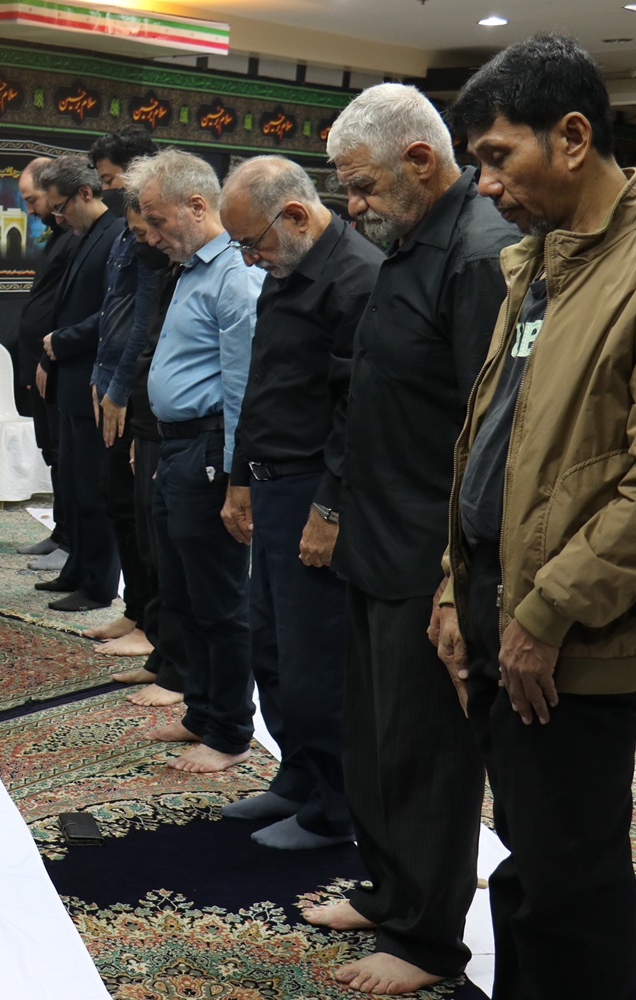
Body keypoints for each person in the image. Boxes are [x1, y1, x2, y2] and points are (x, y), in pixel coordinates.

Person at [435, 33, 636, 1000]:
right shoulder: (540, 265)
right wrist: (457, 586)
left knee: (571, 881)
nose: (483, 184)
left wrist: (544, 612)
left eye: (495, 156)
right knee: (530, 858)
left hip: (576, 631)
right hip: (503, 602)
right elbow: (497, 443)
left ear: (572, 136)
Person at [300, 83, 520, 995]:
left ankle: (428, 942)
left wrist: (455, 579)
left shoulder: (478, 255)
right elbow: (373, 391)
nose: (350, 209)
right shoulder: (411, 241)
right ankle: (394, 896)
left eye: (358, 188)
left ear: (420, 162)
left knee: (428, 759)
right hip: (376, 542)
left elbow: (494, 433)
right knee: (377, 744)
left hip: (432, 558)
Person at [217, 156, 383, 849]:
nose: (250, 260)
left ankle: (337, 806)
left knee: (318, 665)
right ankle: (299, 773)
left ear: (294, 215)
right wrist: (238, 478)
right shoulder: (284, 271)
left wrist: (330, 509)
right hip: (272, 482)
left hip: (317, 491)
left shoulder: (356, 278)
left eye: (253, 242)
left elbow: (359, 413)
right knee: (271, 646)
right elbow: (264, 384)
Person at [128, 150, 263, 773]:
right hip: (178, 446)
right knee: (181, 587)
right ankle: (202, 710)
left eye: (158, 221)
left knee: (218, 596)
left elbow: (242, 389)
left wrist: (238, 482)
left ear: (198, 206)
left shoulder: (235, 274)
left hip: (210, 449)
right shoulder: (189, 270)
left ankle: (232, 731)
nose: (151, 236)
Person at [83, 125, 167, 660]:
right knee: (118, 502)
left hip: (133, 390)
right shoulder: (123, 228)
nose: (106, 186)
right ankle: (136, 609)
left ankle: (152, 621)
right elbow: (112, 310)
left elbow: (142, 322)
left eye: (112, 176)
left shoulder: (153, 235)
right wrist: (99, 374)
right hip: (110, 382)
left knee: (142, 515)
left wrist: (117, 388)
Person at [34, 155, 123, 612]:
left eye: (60, 207)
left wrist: (62, 342)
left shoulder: (115, 236)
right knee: (70, 485)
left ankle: (98, 583)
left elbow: (111, 315)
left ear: (86, 194)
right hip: (70, 381)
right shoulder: (85, 235)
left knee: (92, 490)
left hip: (91, 380)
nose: (57, 217)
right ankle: (76, 569)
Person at [15, 157, 75, 570]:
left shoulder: (76, 237)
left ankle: (73, 542)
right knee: (53, 452)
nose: (31, 210)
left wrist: (51, 356)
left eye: (33, 200)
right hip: (41, 364)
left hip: (59, 364)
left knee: (67, 454)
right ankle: (60, 532)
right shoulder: (57, 237)